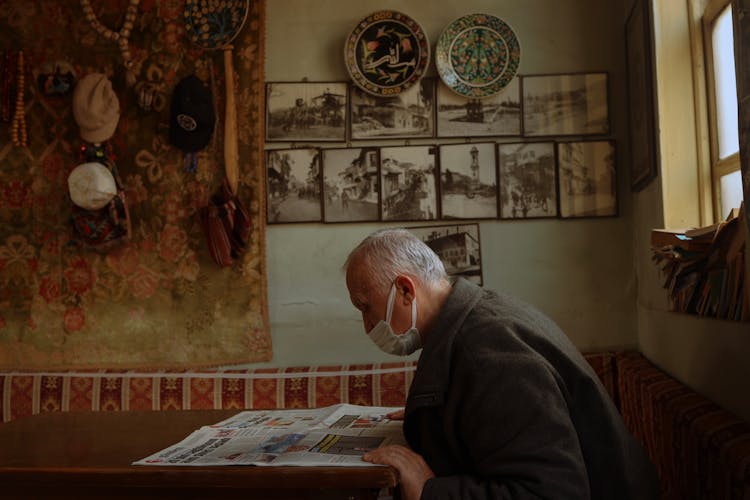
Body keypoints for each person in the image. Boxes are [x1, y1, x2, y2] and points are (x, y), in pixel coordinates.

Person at [343, 228, 660, 500]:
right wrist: (437, 419)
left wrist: (430, 490)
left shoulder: (483, 352)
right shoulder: (477, 316)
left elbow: (550, 493)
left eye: (365, 307)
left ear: (405, 290)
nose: (367, 325)